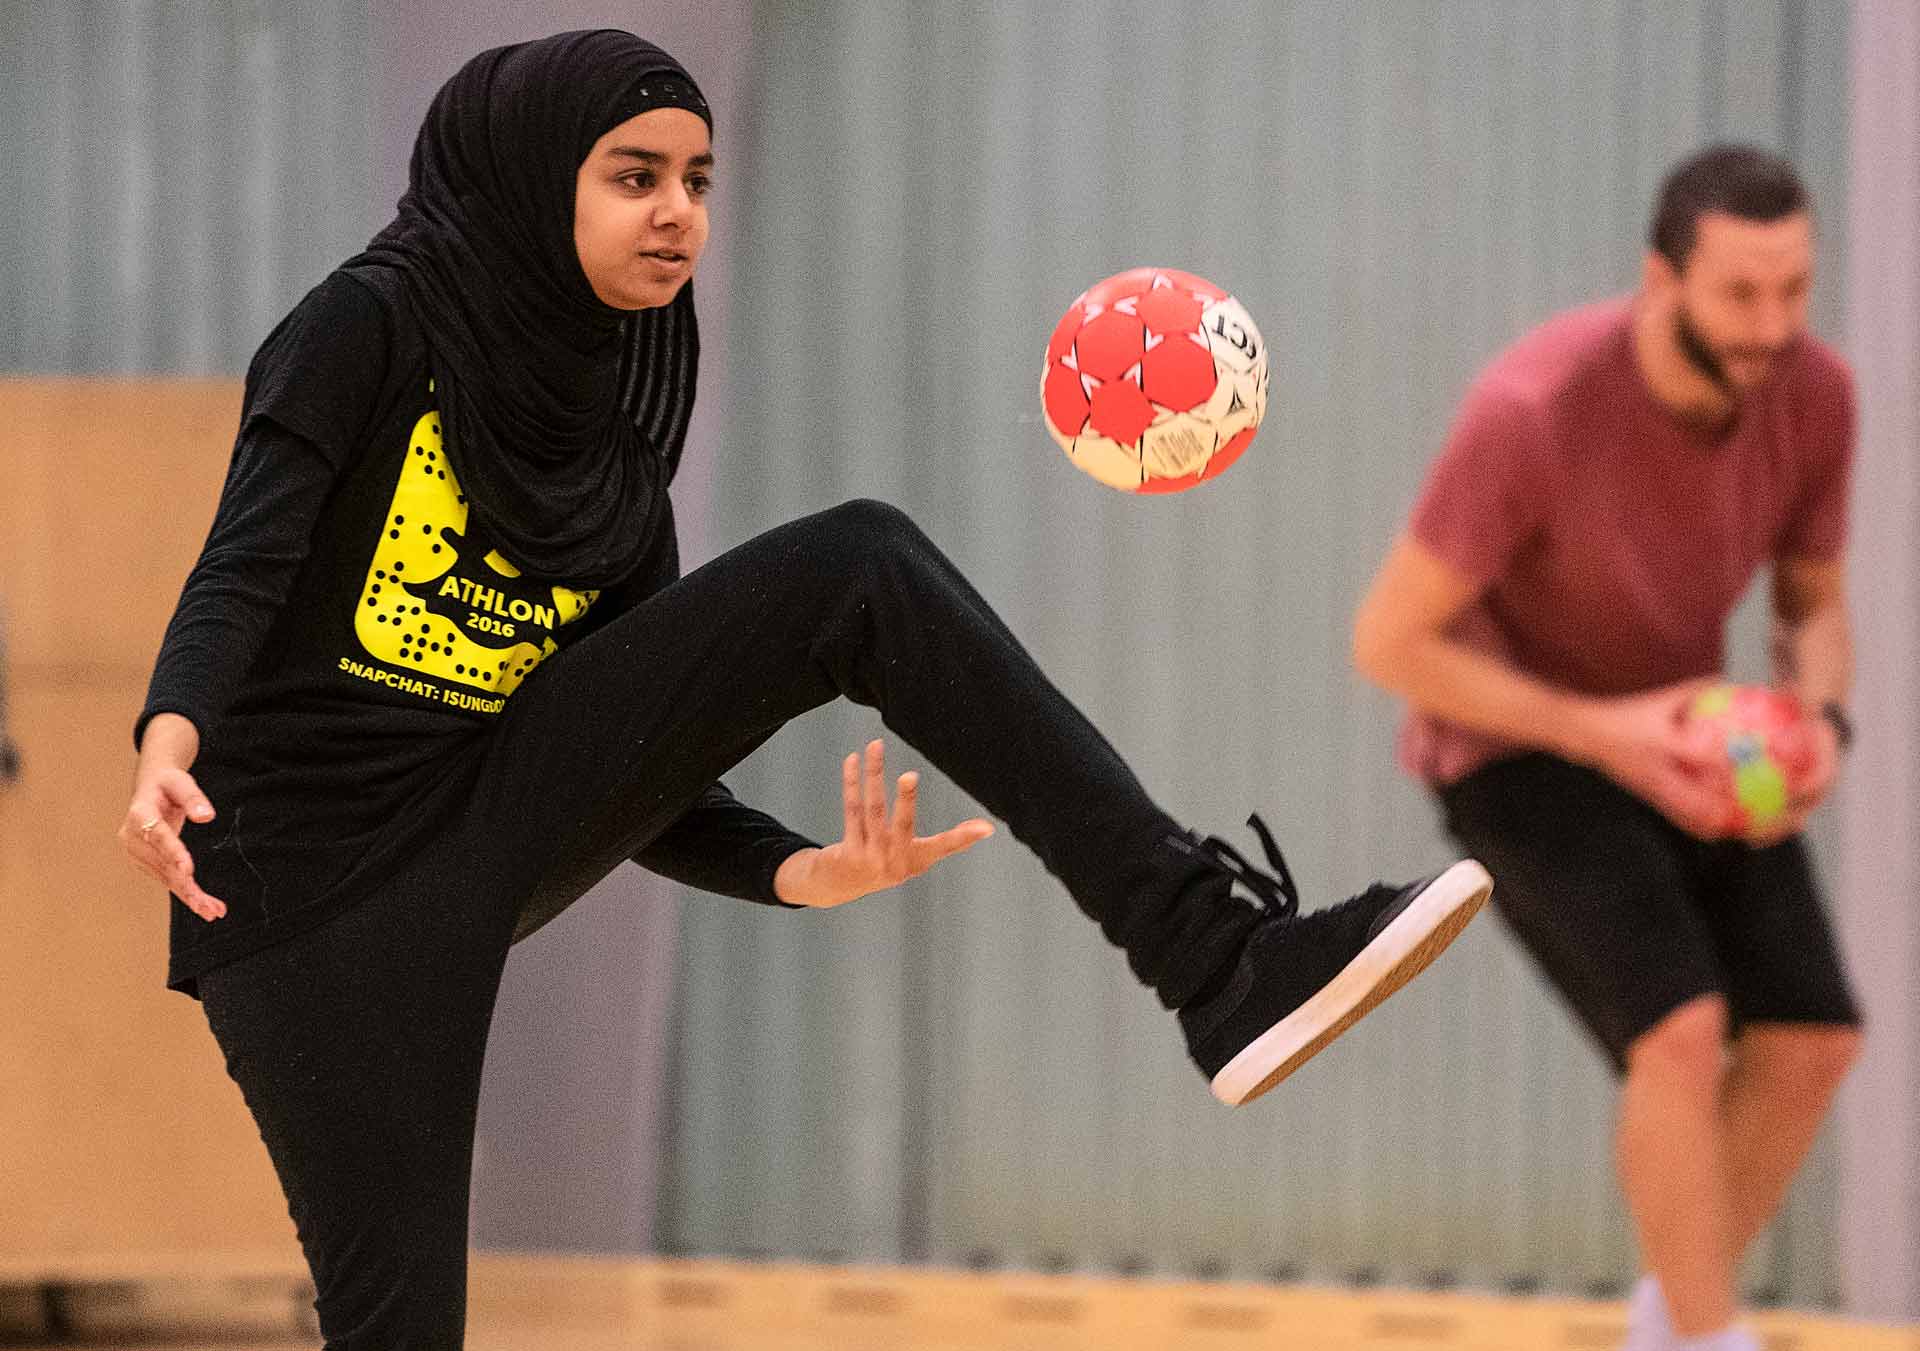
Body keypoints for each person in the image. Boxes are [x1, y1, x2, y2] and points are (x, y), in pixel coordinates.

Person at [120, 32, 1489, 1349]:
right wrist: (168, 734)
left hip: (482, 815)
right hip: (308, 886)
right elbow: (249, 553)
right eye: (634, 174)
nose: (678, 213)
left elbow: (645, 751)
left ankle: (1216, 957)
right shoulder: (367, 321)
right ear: (539, 177)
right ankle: (1219, 960)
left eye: (697, 179)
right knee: (400, 1329)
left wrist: (793, 872)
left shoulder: (624, 399)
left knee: (861, 566)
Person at [1353, 145, 1861, 1351]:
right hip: (1516, 750)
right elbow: (1390, 642)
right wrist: (1606, 734)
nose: (1772, 324)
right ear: (1660, 278)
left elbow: (1813, 603)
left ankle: (1670, 1323)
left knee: (1812, 1038)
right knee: (1681, 1033)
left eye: (1795, 289)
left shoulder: (1815, 395)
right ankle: (1708, 1336)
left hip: (1689, 735)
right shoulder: (1532, 412)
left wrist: (1821, 722)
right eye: (1741, 293)